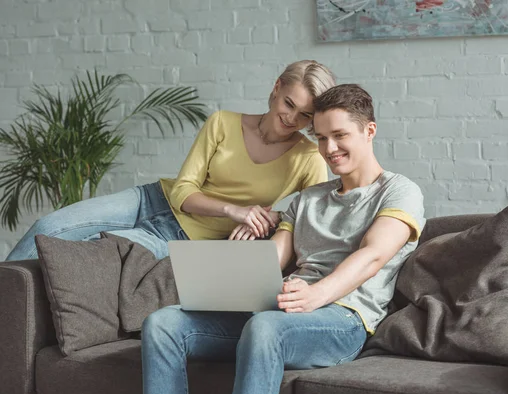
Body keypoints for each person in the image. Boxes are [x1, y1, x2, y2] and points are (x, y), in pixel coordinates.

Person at [141, 84, 426, 394]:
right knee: (163, 324)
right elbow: (275, 255)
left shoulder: (399, 191)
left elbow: (373, 256)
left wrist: (315, 295)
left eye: (340, 135)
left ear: (369, 131)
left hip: (343, 319)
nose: (329, 148)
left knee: (265, 327)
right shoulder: (308, 198)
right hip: (284, 309)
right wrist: (226, 286)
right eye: (320, 137)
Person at [5, 60, 335, 261]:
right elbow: (182, 192)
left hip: (180, 237)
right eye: (289, 103)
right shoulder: (222, 122)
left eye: (305, 114)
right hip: (151, 199)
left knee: (86, 254)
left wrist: (271, 216)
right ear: (276, 88)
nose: (292, 117)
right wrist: (234, 210)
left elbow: (314, 216)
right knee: (45, 229)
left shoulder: (307, 157)